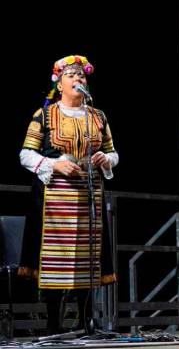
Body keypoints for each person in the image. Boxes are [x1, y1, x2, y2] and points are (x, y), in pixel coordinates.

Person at [18, 55, 119, 334]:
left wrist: (106, 159)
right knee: (56, 259)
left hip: (89, 196)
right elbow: (25, 154)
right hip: (55, 198)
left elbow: (113, 152)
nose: (78, 80)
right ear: (59, 83)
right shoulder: (45, 115)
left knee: (86, 257)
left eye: (81, 76)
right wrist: (53, 164)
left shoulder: (98, 117)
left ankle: (86, 322)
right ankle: (53, 323)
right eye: (71, 75)